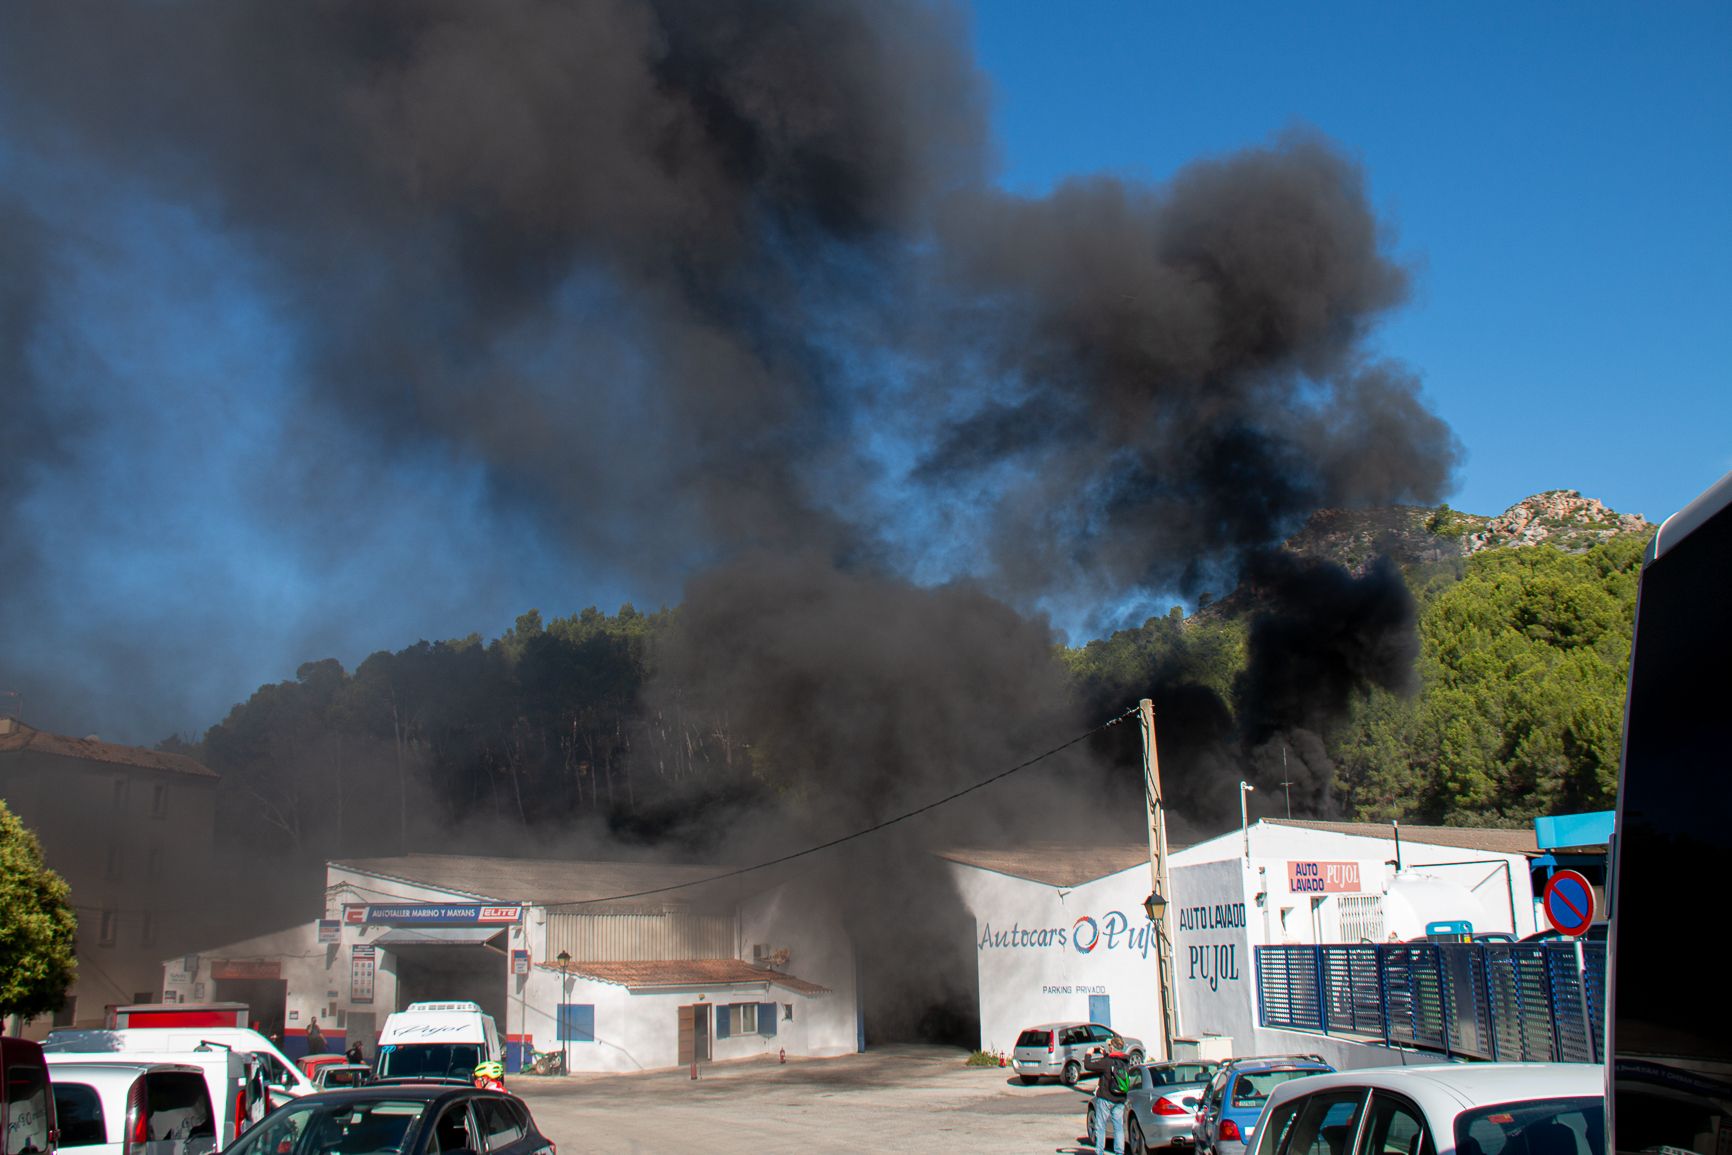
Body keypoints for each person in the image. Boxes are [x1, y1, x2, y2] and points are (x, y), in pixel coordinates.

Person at [1088, 1036, 1133, 1155]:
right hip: (1120, 1099)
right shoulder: (1126, 1061)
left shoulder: (1107, 1062)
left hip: (1105, 1098)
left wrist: (1089, 1053)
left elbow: (1088, 1065)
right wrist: (1106, 1055)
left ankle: (1100, 1152)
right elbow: (1113, 1062)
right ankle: (1119, 1152)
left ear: (1112, 1048)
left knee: (1101, 1126)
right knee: (1118, 1127)